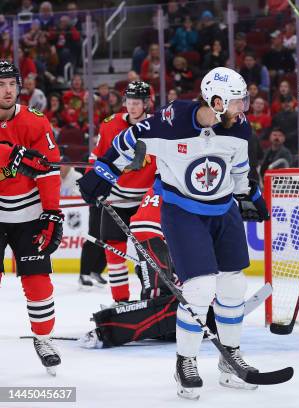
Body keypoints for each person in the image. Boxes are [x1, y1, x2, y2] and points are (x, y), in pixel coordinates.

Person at [76, 67, 270, 399]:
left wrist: (249, 195)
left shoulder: (238, 127)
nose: (244, 108)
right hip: (182, 210)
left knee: (233, 283)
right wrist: (103, 173)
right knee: (199, 287)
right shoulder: (173, 120)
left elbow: (240, 168)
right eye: (238, 101)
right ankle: (186, 361)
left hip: (223, 209)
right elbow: (129, 139)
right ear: (217, 101)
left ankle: (229, 358)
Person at [0, 60, 63, 375]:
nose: (7, 90)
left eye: (11, 83)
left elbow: (49, 171)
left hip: (29, 213)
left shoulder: (37, 122)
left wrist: (52, 212)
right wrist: (10, 153)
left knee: (38, 283)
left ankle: (43, 338)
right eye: (0, 85)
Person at [87, 81, 156, 301]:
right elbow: (96, 159)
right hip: (115, 200)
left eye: (137, 103)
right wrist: (96, 185)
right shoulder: (109, 125)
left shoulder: (159, 127)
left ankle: (153, 294)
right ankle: (121, 301)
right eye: (129, 102)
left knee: (151, 251)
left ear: (146, 103)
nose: (132, 107)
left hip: (146, 202)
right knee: (114, 251)